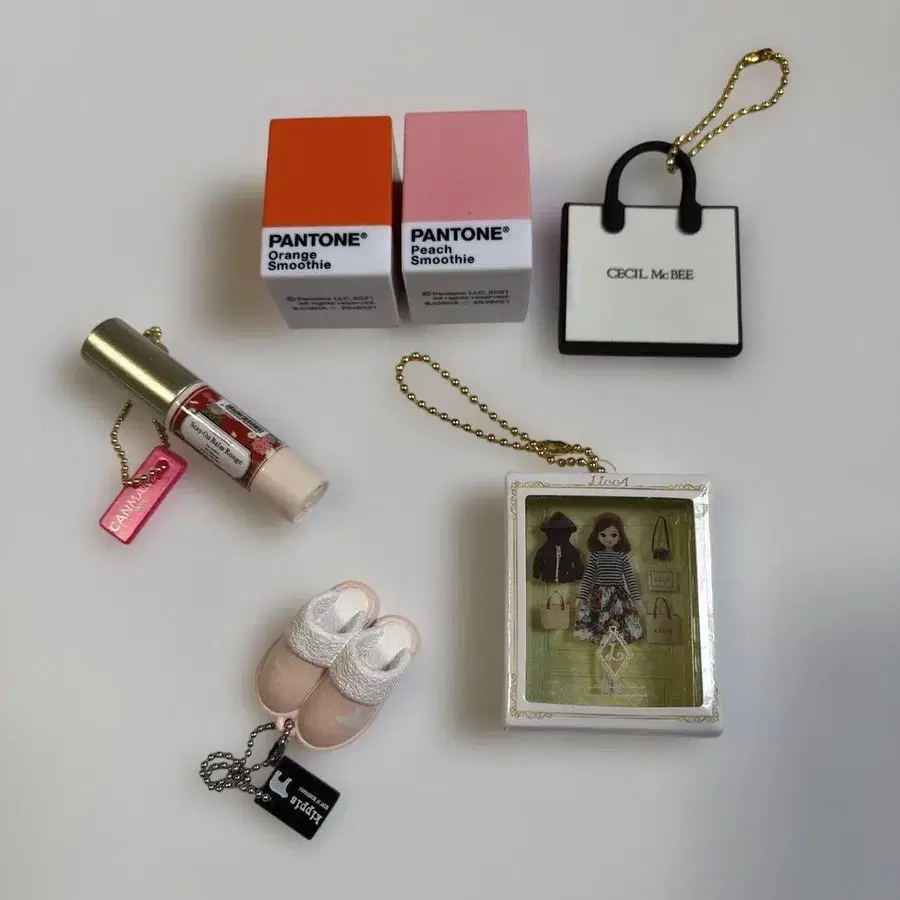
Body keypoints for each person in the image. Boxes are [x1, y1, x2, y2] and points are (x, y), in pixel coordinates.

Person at [575, 513, 644, 643]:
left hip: (618, 596)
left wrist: (637, 600)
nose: (609, 539)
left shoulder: (622, 556)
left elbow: (630, 579)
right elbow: (588, 578)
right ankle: (604, 643)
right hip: (599, 596)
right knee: (599, 621)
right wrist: (582, 597)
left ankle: (614, 641)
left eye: (613, 535)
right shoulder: (595, 556)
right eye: (603, 535)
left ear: (620, 536)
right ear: (597, 536)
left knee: (619, 620)